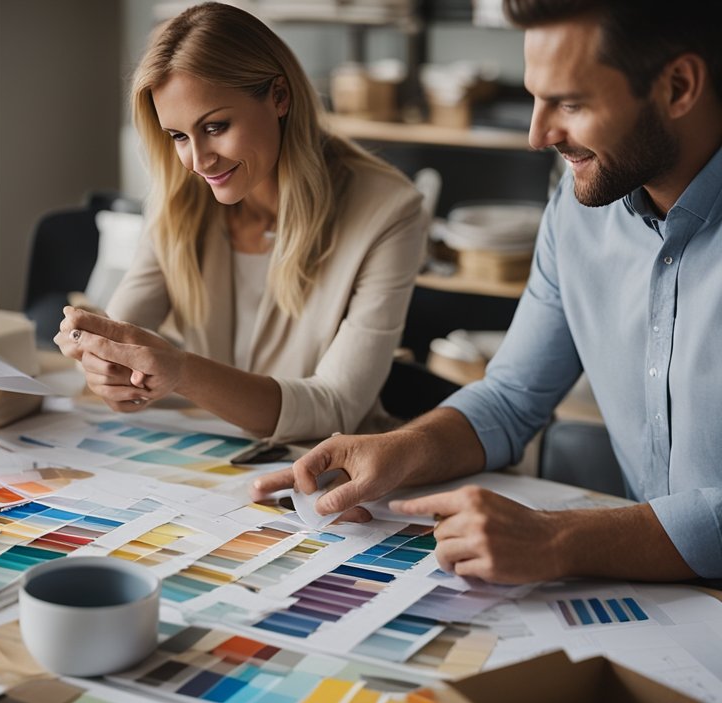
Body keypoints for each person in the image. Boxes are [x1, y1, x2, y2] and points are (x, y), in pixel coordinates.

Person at [253, 0, 722, 584]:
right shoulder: (579, 216)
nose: (537, 134)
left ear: (679, 86)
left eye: (569, 103)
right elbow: (509, 399)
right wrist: (400, 449)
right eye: (534, 97)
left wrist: (561, 539)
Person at [55, 2, 426, 445]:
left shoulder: (389, 211)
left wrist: (182, 371)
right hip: (214, 459)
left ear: (280, 97)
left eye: (215, 126)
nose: (197, 160)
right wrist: (102, 359)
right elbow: (125, 327)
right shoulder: (178, 196)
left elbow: (337, 406)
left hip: (328, 469)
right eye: (178, 136)